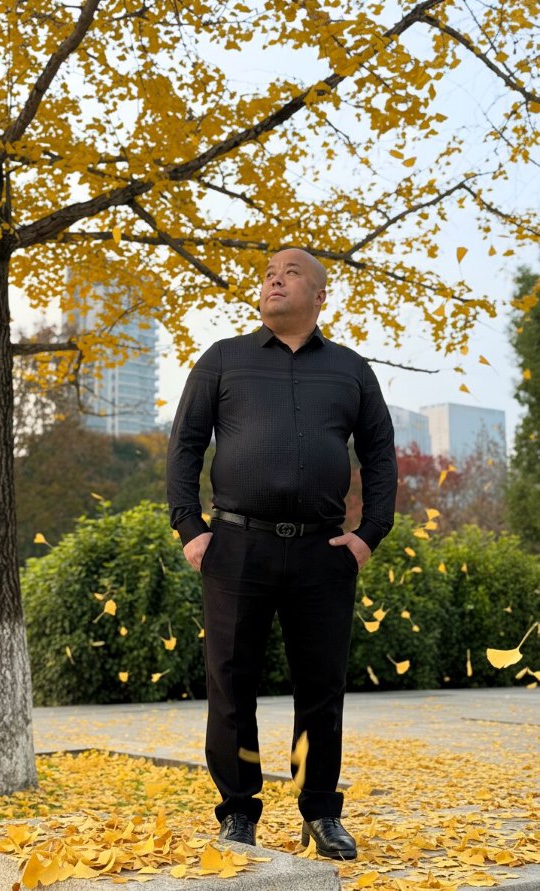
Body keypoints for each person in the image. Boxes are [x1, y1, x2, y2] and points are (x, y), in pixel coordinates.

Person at [166, 248, 397, 859]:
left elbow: (380, 454)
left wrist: (369, 534)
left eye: (290, 273)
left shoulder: (351, 370)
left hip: (324, 551)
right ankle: (238, 811)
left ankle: (319, 811)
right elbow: (185, 445)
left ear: (319, 296)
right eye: (269, 273)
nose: (274, 279)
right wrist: (190, 528)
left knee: (320, 688)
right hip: (236, 546)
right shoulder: (222, 359)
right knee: (231, 684)